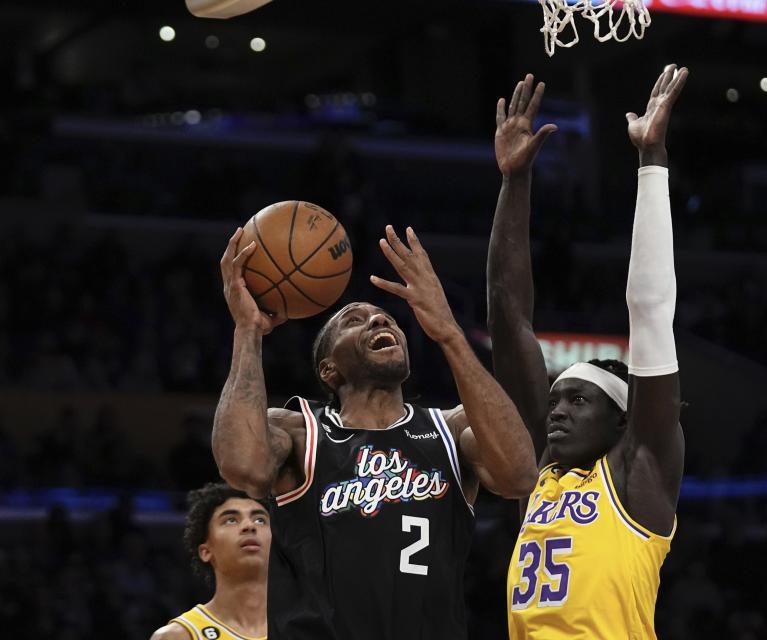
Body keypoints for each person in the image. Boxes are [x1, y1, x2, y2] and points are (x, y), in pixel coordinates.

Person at [213, 224, 538, 639]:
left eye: (384, 318)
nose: (377, 319)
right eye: (354, 321)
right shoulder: (299, 431)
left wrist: (448, 332)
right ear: (329, 369)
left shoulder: (450, 429)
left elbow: (520, 475)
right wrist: (247, 331)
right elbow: (241, 467)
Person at [486, 66, 688, 638]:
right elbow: (507, 314)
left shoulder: (638, 475)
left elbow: (649, 312)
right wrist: (514, 181)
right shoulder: (540, 472)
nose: (557, 410)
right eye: (557, 399)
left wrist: (651, 162)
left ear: (623, 421)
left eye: (578, 401)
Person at [150, 483, 270, 640]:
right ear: (206, 552)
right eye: (231, 520)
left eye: (260, 520)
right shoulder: (179, 635)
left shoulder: (306, 627)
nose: (249, 526)